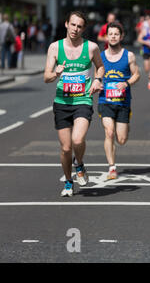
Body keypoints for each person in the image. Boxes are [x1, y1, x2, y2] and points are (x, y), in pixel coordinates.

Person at [44, 11, 105, 197]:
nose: (75, 29)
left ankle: (79, 163)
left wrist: (97, 79)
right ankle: (69, 182)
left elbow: (100, 66)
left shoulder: (91, 47)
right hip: (62, 102)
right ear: (66, 24)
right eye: (73, 25)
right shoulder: (55, 48)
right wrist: (56, 73)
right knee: (65, 148)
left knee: (77, 140)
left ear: (83, 28)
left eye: (79, 26)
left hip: (83, 100)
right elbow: (46, 77)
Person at [98, 21, 140, 180]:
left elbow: (137, 74)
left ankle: (124, 129)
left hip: (123, 102)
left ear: (121, 36)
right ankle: (112, 167)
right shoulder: (100, 56)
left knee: (121, 139)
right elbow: (96, 75)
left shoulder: (128, 55)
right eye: (110, 34)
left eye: (116, 34)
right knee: (109, 132)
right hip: (105, 101)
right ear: (106, 36)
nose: (113, 37)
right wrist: (98, 83)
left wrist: (127, 83)